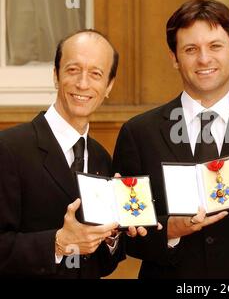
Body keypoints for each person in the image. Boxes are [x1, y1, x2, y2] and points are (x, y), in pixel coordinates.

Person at [113, 0, 229, 278]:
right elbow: (125, 232)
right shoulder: (139, 133)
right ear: (174, 58)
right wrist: (170, 230)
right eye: (191, 49)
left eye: (215, 46)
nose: (204, 59)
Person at [0, 29, 144, 278]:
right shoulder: (9, 148)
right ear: (56, 75)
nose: (83, 84)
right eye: (73, 70)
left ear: (108, 85)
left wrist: (110, 235)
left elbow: (102, 265)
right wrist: (58, 244)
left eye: (96, 74)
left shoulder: (101, 158)